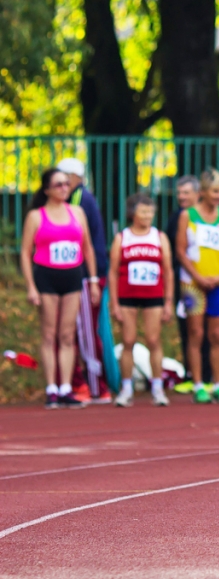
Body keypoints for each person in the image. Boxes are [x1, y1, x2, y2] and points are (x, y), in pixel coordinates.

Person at [19, 168, 101, 409]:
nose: (65, 188)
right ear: (47, 190)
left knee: (67, 334)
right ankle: (51, 388)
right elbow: (25, 252)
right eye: (58, 185)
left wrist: (93, 280)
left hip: (72, 276)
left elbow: (87, 248)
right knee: (49, 333)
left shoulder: (77, 212)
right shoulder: (36, 216)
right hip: (46, 276)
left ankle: (66, 387)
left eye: (67, 184)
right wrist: (31, 287)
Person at [176, 169, 219, 404]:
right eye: (215, 191)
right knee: (196, 333)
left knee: (217, 334)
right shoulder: (188, 216)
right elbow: (181, 251)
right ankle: (199, 384)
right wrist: (198, 277)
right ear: (203, 192)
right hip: (193, 283)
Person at [108, 194, 174, 407]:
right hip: (127, 295)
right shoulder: (123, 237)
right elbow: (113, 271)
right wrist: (115, 303)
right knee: (128, 341)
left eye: (150, 212)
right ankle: (126, 388)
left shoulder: (159, 237)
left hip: (153, 296)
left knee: (154, 340)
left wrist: (169, 301)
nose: (147, 216)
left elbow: (168, 270)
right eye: (143, 211)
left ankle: (157, 387)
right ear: (132, 213)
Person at [56, 157, 112, 404]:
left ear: (74, 177)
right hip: (79, 273)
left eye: (64, 179)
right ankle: (81, 383)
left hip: (87, 274)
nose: (62, 186)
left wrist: (90, 278)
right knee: (76, 329)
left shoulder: (79, 200)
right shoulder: (81, 198)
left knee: (86, 331)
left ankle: (95, 386)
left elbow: (81, 240)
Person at [165, 175, 212, 393]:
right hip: (183, 280)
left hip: (209, 279)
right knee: (187, 327)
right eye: (179, 193)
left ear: (198, 194)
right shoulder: (176, 217)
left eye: (186, 193)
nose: (181, 197)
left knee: (210, 328)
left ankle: (209, 375)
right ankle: (191, 374)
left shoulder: (207, 217)